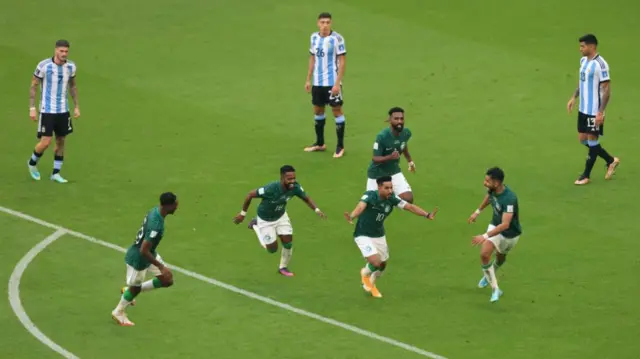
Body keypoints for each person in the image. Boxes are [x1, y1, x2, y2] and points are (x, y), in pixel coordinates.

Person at [344, 176, 437, 298]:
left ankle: (371, 282)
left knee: (382, 265)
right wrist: (352, 216)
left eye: (391, 188)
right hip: (363, 234)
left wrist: (427, 214)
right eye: (386, 188)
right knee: (376, 262)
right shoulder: (370, 196)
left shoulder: (392, 199)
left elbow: (410, 207)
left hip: (378, 234)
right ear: (379, 187)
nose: (390, 191)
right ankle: (365, 274)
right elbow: (360, 206)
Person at [233, 165, 326, 276]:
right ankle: (255, 225)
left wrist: (317, 210)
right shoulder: (271, 188)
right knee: (272, 249)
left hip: (281, 217)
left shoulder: (295, 187)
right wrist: (243, 214)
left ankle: (283, 267)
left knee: (288, 243)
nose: (292, 181)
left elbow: (305, 198)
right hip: (265, 219)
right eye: (289, 179)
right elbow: (250, 195)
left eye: (294, 178)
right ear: (282, 178)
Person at [111, 192, 179, 326]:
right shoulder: (156, 225)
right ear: (168, 206)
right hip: (139, 259)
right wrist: (160, 266)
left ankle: (128, 291)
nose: (177, 207)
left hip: (150, 254)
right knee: (135, 288)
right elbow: (143, 250)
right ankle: (118, 312)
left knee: (167, 280)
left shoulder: (155, 211)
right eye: (175, 204)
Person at [566, 34, 620, 185]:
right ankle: (611, 160)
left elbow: (607, 90)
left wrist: (600, 112)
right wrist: (573, 97)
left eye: (583, 46)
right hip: (583, 109)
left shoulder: (601, 65)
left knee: (592, 140)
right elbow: (582, 82)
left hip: (594, 111)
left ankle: (585, 175)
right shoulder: (583, 61)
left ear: (592, 46)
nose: (580, 49)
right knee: (583, 140)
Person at [28, 39, 80, 183]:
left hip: (63, 110)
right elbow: (33, 86)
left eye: (66, 51)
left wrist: (76, 106)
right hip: (47, 110)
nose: (64, 54)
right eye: (61, 51)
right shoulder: (44, 66)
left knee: (61, 140)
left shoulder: (71, 67)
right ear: (55, 50)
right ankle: (32, 163)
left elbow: (73, 86)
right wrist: (32, 108)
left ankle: (55, 173)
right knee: (45, 142)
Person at [467, 167, 521, 303]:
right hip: (495, 226)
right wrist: (477, 212)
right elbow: (489, 198)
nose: (484, 183)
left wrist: (484, 236)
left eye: (487, 181)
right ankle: (495, 289)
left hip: (510, 234)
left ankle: (489, 274)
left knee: (500, 258)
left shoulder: (510, 198)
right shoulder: (492, 190)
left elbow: (505, 225)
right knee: (484, 254)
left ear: (496, 183)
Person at [304, 12, 347, 158]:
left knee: (337, 111)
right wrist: (308, 79)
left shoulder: (337, 39)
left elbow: (342, 62)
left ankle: (340, 146)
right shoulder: (314, 37)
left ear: (331, 23)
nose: (325, 25)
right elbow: (312, 59)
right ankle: (320, 143)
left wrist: (337, 83)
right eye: (322, 22)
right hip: (317, 82)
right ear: (318, 23)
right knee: (318, 111)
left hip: (332, 83)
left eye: (328, 22)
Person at [366, 107, 415, 203]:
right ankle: (386, 199)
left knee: (408, 199)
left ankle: (389, 198)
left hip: (393, 170)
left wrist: (410, 161)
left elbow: (403, 144)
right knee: (372, 203)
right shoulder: (382, 137)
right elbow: (375, 158)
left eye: (401, 118)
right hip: (377, 173)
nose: (399, 121)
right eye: (396, 119)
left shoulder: (406, 133)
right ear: (390, 120)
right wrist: (390, 157)